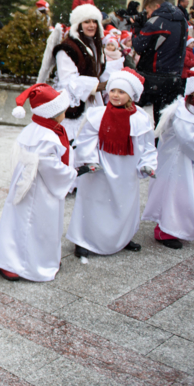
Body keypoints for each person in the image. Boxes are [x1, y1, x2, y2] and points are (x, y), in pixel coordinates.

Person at [0, 84, 85, 282]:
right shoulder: (46, 135)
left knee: (36, 223)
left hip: (37, 183)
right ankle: (17, 262)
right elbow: (47, 163)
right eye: (62, 111)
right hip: (38, 186)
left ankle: (41, 256)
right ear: (53, 114)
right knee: (31, 221)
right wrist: (71, 174)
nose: (65, 114)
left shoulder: (42, 130)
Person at [66, 69, 157, 258]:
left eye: (121, 92)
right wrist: (90, 160)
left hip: (126, 170)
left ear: (131, 95)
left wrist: (147, 163)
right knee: (93, 202)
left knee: (124, 204)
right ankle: (84, 239)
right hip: (100, 169)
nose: (115, 95)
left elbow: (148, 145)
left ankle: (122, 237)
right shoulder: (97, 115)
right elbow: (85, 140)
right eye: (113, 90)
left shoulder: (140, 119)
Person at [142, 71, 194, 249]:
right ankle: (166, 229)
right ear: (193, 91)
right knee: (176, 195)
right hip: (178, 162)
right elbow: (189, 140)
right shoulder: (184, 113)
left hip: (189, 162)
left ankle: (178, 226)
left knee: (186, 195)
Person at [132, 0, 188, 125]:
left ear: (157, 6)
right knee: (165, 118)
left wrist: (136, 28)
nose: (148, 15)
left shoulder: (156, 21)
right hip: (174, 73)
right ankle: (163, 142)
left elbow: (139, 46)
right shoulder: (182, 19)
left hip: (153, 74)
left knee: (137, 114)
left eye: (148, 11)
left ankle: (142, 141)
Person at [52, 4, 106, 140]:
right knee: (73, 145)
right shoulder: (67, 48)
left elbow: (101, 71)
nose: (91, 25)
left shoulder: (95, 45)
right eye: (87, 21)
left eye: (94, 21)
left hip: (92, 105)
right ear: (78, 25)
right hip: (72, 109)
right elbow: (68, 81)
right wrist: (95, 86)